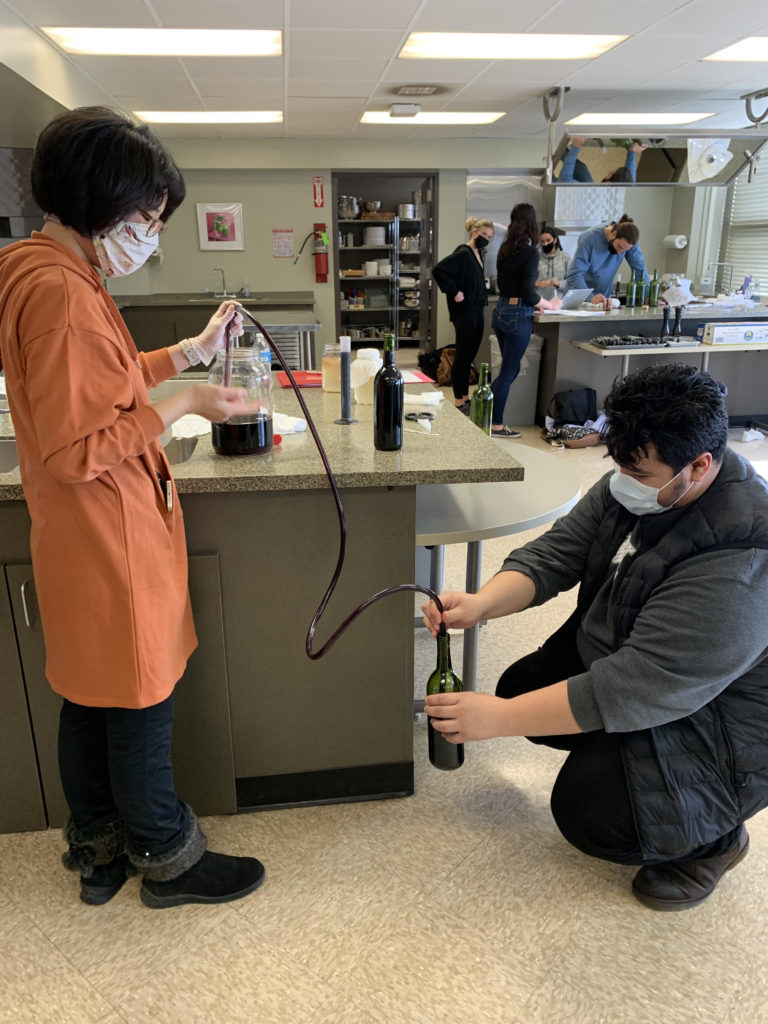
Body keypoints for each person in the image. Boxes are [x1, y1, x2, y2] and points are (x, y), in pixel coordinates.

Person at [0, 107, 267, 909]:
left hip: (76, 536)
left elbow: (101, 380)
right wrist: (184, 398)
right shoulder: (63, 295)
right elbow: (78, 447)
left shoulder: (37, 267)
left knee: (88, 695)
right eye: (147, 218)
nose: (150, 235)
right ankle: (167, 856)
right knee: (142, 697)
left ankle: (98, 850)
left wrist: (184, 353)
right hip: (106, 532)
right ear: (101, 198)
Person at [423, 362, 768, 912]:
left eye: (642, 473)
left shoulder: (742, 555)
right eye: (620, 465)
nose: (625, 482)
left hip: (727, 723)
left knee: (595, 814)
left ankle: (713, 839)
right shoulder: (639, 483)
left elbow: (639, 685)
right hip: (644, 662)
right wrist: (482, 603)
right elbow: (558, 553)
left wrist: (496, 720)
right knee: (524, 689)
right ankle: (617, 749)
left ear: (700, 465)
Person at [489, 205, 561, 438]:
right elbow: (528, 294)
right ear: (533, 224)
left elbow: (511, 286)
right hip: (518, 314)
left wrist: (534, 301)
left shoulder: (504, 248)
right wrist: (550, 305)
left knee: (508, 370)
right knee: (510, 371)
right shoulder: (530, 252)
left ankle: (483, 411)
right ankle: (495, 425)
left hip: (500, 311)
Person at [432, 217, 494, 412]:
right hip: (465, 312)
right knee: (463, 356)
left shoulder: (478, 254)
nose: (486, 238)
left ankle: (465, 396)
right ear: (474, 233)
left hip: (476, 310)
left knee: (469, 356)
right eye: (483, 234)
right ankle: (459, 400)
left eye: (489, 236)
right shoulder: (463, 253)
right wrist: (454, 292)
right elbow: (439, 270)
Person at [566, 214, 649, 304]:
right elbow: (575, 275)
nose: (619, 253)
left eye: (624, 250)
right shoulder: (589, 238)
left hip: (604, 299)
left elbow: (639, 268)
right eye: (619, 247)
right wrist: (591, 298)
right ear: (613, 234)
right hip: (580, 298)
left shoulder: (628, 241)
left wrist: (649, 296)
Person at [557, 137, 648, 183]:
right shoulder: (625, 187)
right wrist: (633, 151)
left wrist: (576, 146)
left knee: (554, 183)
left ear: (609, 179)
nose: (608, 173)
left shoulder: (594, 196)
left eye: (611, 172)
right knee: (581, 168)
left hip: (572, 196)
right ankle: (559, 149)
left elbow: (565, 180)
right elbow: (630, 174)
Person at [535, 226, 570, 300]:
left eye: (548, 240)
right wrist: (537, 283)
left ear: (555, 240)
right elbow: (526, 280)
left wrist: (559, 284)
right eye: (542, 241)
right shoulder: (535, 258)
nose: (545, 244)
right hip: (540, 303)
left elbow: (573, 281)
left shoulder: (565, 257)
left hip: (560, 302)